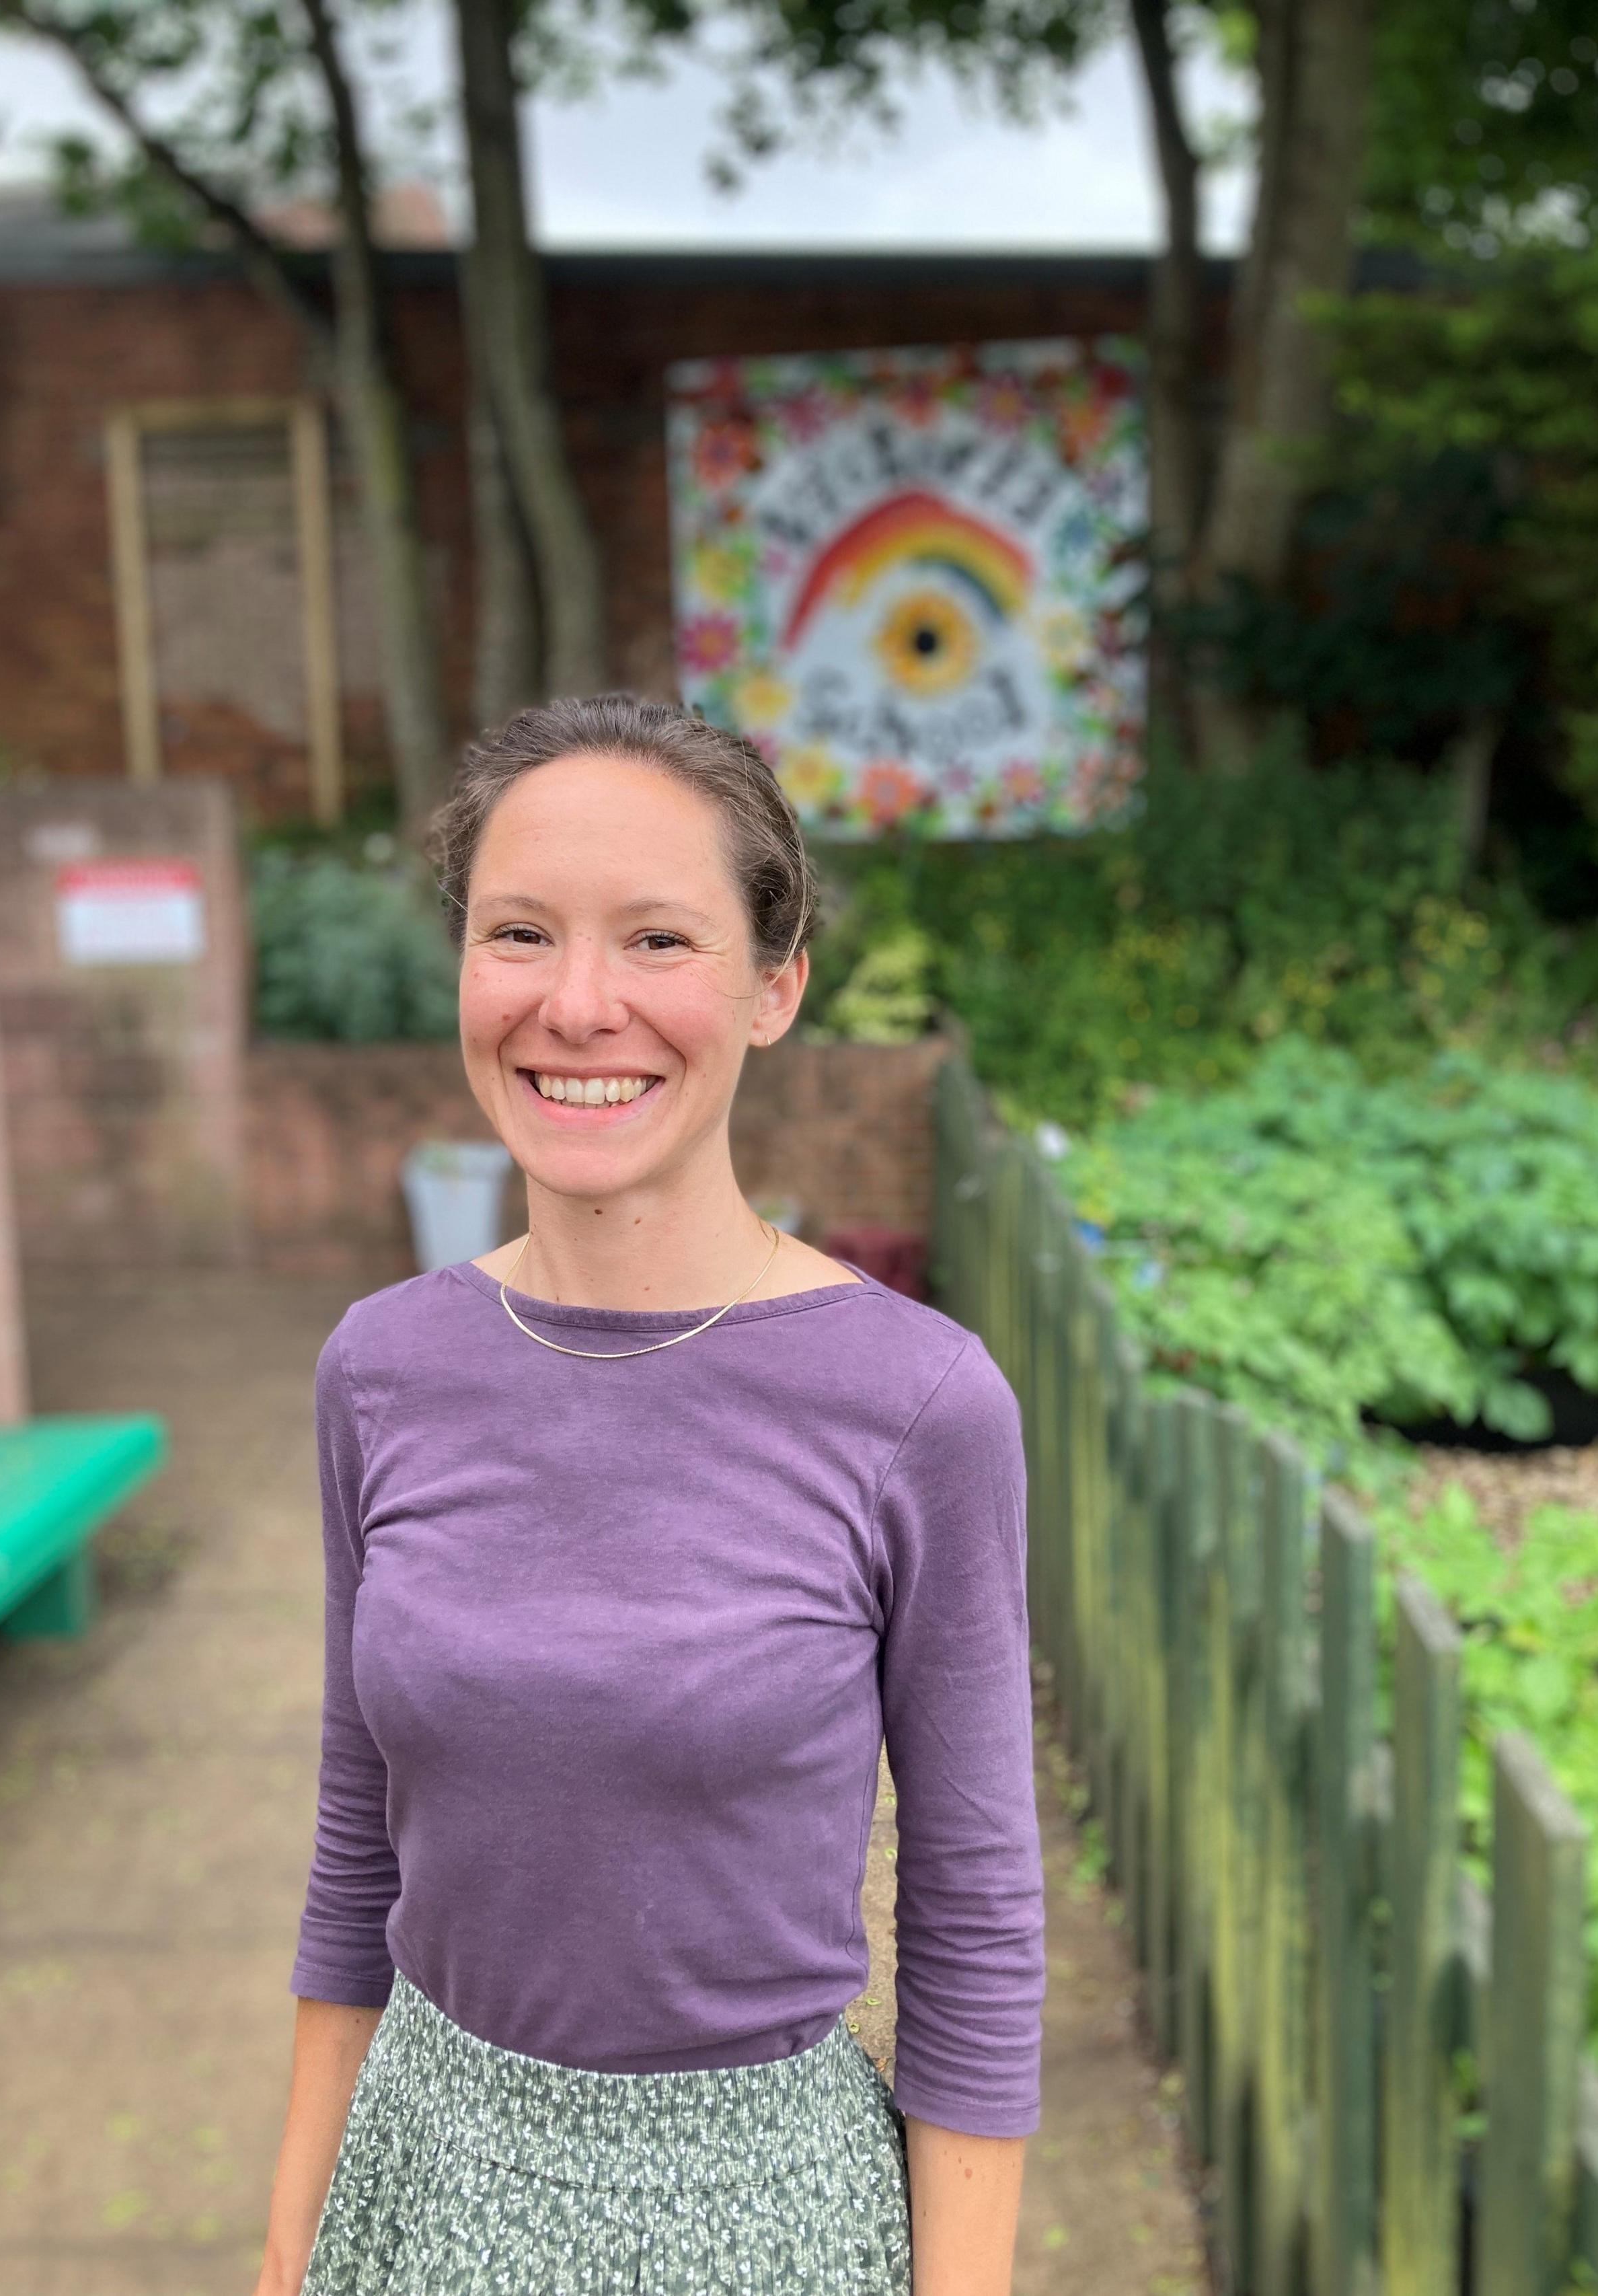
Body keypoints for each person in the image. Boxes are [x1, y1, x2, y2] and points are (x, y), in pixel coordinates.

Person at [252, 694, 1044, 2296]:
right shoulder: (381, 1367)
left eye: (659, 941)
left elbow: (970, 1921)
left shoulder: (916, 1406)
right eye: (520, 932)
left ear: (775, 985)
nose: (578, 1003)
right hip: (425, 2180)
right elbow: (360, 1847)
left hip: (764, 2217)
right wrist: (291, 2252)